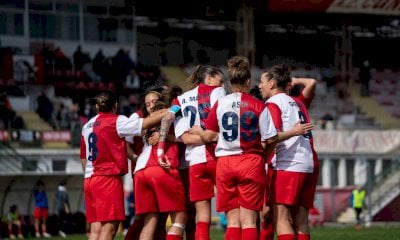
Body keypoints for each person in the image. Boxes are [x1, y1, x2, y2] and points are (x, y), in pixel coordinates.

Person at [190, 56, 313, 240]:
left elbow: (208, 136)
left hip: (225, 163)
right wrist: (264, 156)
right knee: (249, 221)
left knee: (232, 221)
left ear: (231, 82)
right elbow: (271, 138)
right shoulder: (258, 105)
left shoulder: (220, 103)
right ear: (248, 81)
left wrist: (199, 130)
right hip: (250, 161)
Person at [80, 89, 169, 240]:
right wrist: (173, 108)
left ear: (97, 107)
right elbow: (145, 123)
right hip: (106, 178)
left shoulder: (87, 125)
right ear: (115, 105)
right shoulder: (116, 120)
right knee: (109, 227)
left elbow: (83, 158)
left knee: (95, 229)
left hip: (89, 179)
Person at [157, 65, 226, 240]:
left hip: (194, 162)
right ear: (209, 78)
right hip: (217, 157)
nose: (222, 85)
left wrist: (160, 148)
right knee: (236, 212)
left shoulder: (179, 100)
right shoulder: (217, 92)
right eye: (221, 81)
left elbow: (183, 136)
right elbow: (223, 131)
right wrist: (213, 137)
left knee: (202, 216)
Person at [258, 64, 319, 240]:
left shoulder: (273, 103)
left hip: (288, 164)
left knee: (281, 218)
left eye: (262, 81)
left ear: (271, 83)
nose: (259, 86)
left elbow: (271, 137)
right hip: (308, 162)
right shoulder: (298, 102)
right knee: (301, 220)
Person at [133, 101, 187, 240]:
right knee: (179, 219)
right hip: (161, 168)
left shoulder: (146, 124)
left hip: (140, 171)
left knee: (149, 222)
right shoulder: (173, 118)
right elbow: (186, 138)